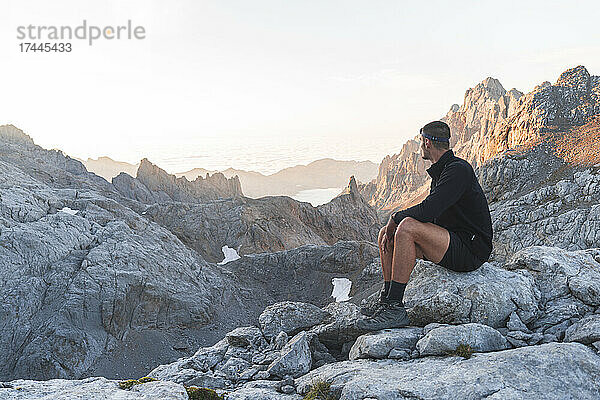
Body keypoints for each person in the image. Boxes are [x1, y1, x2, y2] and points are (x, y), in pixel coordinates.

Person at [356, 120, 493, 331]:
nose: (420, 146)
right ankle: (389, 301)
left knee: (406, 226)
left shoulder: (458, 170)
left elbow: (428, 211)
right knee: (387, 233)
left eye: (421, 141)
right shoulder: (443, 171)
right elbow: (433, 216)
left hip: (471, 249)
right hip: (451, 240)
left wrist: (396, 218)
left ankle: (395, 309)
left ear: (427, 143)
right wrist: (394, 227)